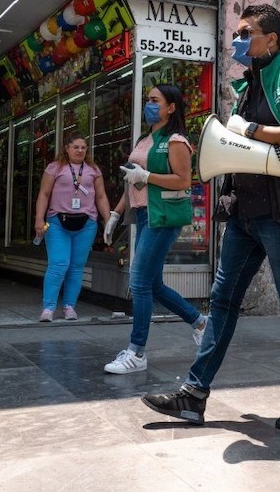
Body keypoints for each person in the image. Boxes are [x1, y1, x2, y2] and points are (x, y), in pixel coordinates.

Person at [141, 3, 280, 430]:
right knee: (222, 302)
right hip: (244, 213)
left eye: (246, 34)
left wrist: (253, 130)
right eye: (237, 33)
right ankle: (193, 395)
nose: (238, 41)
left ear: (272, 40)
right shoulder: (250, 84)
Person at [101, 85, 207, 374]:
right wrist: (115, 213)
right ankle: (200, 323)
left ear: (171, 107)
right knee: (154, 284)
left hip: (163, 217)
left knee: (139, 283)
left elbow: (184, 181)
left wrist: (146, 175)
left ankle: (137, 352)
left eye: (154, 101)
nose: (148, 105)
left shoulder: (176, 141)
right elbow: (132, 181)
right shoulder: (145, 138)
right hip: (145, 216)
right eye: (147, 100)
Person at [33, 133, 111, 322]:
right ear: (66, 148)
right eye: (76, 147)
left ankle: (69, 307)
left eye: (83, 148)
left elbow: (101, 196)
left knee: (76, 267)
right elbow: (44, 194)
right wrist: (39, 219)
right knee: (58, 264)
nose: (80, 151)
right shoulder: (55, 168)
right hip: (58, 221)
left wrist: (108, 220)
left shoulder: (93, 170)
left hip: (87, 223)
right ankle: (48, 308)